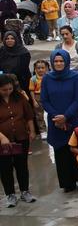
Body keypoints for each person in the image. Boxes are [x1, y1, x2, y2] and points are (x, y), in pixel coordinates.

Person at [42, 49, 78, 192]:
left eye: (61, 61)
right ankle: (67, 183)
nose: (59, 63)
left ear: (66, 61)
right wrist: (57, 117)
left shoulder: (75, 77)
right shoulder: (47, 78)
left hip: (72, 119)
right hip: (55, 121)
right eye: (56, 61)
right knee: (61, 152)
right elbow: (44, 100)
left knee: (76, 150)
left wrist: (66, 116)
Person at [0, 74, 37, 207]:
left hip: (21, 137)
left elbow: (29, 116)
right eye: (4, 90)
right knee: (5, 168)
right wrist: (2, 137)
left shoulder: (20, 97)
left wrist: (32, 131)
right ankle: (10, 194)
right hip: (3, 142)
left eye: (10, 89)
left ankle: (25, 191)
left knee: (21, 165)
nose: (7, 92)